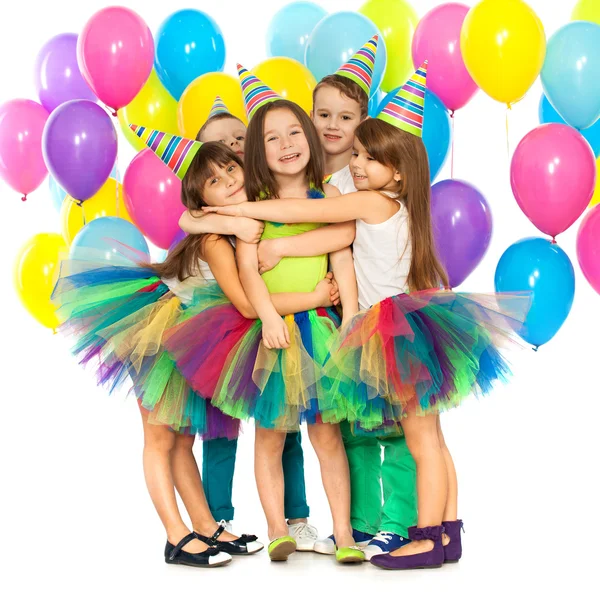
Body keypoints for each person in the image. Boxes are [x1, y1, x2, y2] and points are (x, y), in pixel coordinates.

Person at [202, 62, 531, 570]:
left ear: (395, 170)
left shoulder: (369, 200)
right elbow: (331, 232)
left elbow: (315, 221)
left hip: (392, 326)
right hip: (377, 323)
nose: (354, 160)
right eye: (354, 152)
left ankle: (423, 534)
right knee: (420, 437)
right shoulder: (372, 195)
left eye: (365, 154)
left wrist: (243, 220)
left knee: (415, 438)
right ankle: (443, 532)